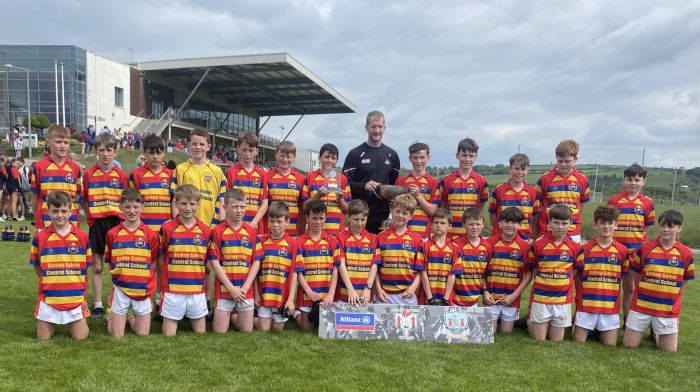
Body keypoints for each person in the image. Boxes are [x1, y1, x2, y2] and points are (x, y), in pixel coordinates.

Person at [623, 210, 694, 352]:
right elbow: (637, 275)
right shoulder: (645, 248)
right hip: (641, 307)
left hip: (667, 310)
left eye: (671, 226)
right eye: (663, 226)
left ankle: (657, 333)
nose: (666, 229)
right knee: (629, 346)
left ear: (679, 228)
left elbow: (683, 281)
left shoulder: (686, 253)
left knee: (669, 350)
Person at [30, 191, 91, 340]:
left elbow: (85, 266)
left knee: (80, 338)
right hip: (49, 298)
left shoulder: (82, 236)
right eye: (55, 211)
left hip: (74, 297)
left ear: (71, 211)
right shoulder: (40, 237)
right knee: (43, 339)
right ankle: (51, 322)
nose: (59, 215)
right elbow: (37, 266)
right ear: (48, 211)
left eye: (64, 211)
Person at [82, 133, 128, 319]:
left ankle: (119, 302)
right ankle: (99, 305)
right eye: (101, 150)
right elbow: (84, 199)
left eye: (109, 150)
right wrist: (91, 220)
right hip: (98, 224)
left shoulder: (121, 175)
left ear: (115, 151)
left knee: (119, 265)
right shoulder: (89, 174)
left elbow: (125, 201)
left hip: (116, 224)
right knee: (98, 266)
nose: (105, 154)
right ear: (96, 151)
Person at [104, 188, 159, 338]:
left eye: (135, 207)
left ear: (142, 207)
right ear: (120, 207)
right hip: (121, 289)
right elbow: (111, 261)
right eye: (127, 207)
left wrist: (145, 279)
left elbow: (153, 260)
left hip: (143, 289)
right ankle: (110, 317)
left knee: (142, 334)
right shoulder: (112, 234)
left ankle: (129, 318)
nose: (132, 211)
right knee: (117, 335)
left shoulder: (151, 235)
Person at [159, 185, 212, 336]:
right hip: (172, 290)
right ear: (175, 204)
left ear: (198, 205)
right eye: (183, 203)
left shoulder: (206, 231)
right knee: (169, 335)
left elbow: (208, 266)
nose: (188, 208)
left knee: (201, 333)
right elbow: (161, 261)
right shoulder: (167, 228)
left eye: (192, 204)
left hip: (196, 290)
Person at [573, 205, 629, 346]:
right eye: (602, 223)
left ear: (616, 225)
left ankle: (598, 330)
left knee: (610, 344)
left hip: (609, 307)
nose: (606, 226)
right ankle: (584, 325)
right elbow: (577, 277)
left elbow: (621, 278)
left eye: (610, 223)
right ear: (595, 225)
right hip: (586, 305)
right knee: (578, 341)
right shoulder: (584, 249)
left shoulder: (622, 251)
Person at [208, 189, 263, 333]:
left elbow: (256, 262)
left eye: (242, 207)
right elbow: (215, 263)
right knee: (219, 333)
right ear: (225, 208)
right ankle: (230, 314)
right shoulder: (217, 231)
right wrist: (231, 289)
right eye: (235, 207)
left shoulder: (251, 232)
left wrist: (244, 288)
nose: (239, 211)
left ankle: (234, 316)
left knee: (246, 332)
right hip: (225, 290)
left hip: (245, 291)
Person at [607, 163, 655, 320]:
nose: (633, 183)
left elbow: (646, 228)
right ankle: (608, 317)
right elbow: (607, 224)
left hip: (634, 253)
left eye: (637, 179)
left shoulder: (648, 203)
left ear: (643, 182)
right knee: (611, 286)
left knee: (630, 288)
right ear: (623, 181)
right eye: (629, 179)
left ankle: (628, 320)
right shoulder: (614, 200)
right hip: (615, 251)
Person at [527, 204, 580, 341]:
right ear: (549, 222)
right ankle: (529, 319)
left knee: (556, 340)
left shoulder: (576, 248)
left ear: (570, 224)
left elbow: (573, 272)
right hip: (541, 299)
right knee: (539, 339)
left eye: (564, 223)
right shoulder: (537, 245)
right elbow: (534, 271)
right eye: (556, 222)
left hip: (562, 301)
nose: (560, 227)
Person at [342, 111, 401, 234]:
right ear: (366, 128)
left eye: (380, 126)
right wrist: (363, 186)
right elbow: (344, 184)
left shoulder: (392, 155)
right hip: (360, 215)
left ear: (385, 128)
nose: (377, 130)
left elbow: (394, 183)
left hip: (383, 215)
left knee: (381, 251)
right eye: (373, 126)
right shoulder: (355, 154)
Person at [256, 202, 304, 332]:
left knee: (277, 330)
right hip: (264, 295)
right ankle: (248, 317)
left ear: (287, 222)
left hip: (281, 297)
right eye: (272, 221)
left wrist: (290, 299)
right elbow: (255, 272)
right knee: (264, 330)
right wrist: (256, 294)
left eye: (279, 221)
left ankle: (286, 313)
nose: (275, 225)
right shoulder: (260, 241)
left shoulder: (293, 244)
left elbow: (294, 273)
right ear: (268, 222)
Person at [295, 200, 342, 330]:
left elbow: (335, 269)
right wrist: (308, 291)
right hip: (307, 293)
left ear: (326, 218)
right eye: (314, 218)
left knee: (326, 327)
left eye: (321, 218)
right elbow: (298, 271)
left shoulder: (332, 241)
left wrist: (331, 294)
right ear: (307, 218)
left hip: (326, 293)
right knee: (306, 328)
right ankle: (296, 314)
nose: (317, 222)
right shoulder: (299, 241)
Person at [483, 207, 532, 333]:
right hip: (491, 298)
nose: (510, 225)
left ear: (520, 225)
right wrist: (485, 291)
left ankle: (515, 320)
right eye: (506, 221)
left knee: (506, 332)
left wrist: (514, 296)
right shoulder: (489, 243)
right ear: (499, 223)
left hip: (511, 300)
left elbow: (528, 275)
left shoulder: (525, 247)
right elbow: (481, 271)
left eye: (514, 222)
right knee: (489, 332)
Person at [375, 194, 427, 305]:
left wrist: (413, 288)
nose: (400, 215)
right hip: (384, 295)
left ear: (411, 216)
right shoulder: (380, 237)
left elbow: (420, 269)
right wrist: (378, 289)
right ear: (391, 211)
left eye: (405, 213)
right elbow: (375, 268)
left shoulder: (417, 239)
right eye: (397, 211)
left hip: (407, 295)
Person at [535, 140, 590, 243]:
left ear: (575, 160)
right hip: (547, 231)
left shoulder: (583, 180)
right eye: (560, 161)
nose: (563, 164)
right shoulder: (544, 179)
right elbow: (536, 205)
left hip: (573, 232)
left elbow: (581, 204)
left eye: (567, 161)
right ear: (556, 159)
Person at [171, 128, 227, 226]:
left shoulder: (217, 172)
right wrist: (177, 222)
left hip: (211, 226)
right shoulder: (180, 169)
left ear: (208, 147)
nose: (198, 147)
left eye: (201, 144)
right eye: (194, 144)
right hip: (185, 225)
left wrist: (222, 224)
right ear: (189, 145)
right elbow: (174, 199)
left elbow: (222, 200)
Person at [31, 125, 82, 229]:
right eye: (58, 142)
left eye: (66, 142)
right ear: (47, 142)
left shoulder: (75, 168)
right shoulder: (40, 166)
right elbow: (34, 196)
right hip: (45, 222)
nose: (63, 146)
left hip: (71, 222)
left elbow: (77, 197)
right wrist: (38, 219)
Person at [439, 138, 489, 239]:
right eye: (464, 155)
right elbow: (442, 209)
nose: (467, 159)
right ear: (457, 156)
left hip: (471, 235)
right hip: (450, 235)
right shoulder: (446, 180)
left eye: (471, 156)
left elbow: (479, 210)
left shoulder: (482, 182)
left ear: (476, 157)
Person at [335, 199, 380, 305]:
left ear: (367, 218)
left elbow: (374, 265)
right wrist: (350, 289)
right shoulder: (340, 237)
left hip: (366, 295)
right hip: (345, 294)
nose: (359, 223)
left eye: (363, 219)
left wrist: (368, 288)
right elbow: (341, 265)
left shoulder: (373, 238)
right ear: (349, 217)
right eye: (356, 219)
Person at [301, 143, 351, 235]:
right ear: (319, 158)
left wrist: (340, 199)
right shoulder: (310, 177)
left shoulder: (343, 179)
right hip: (314, 233)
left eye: (333, 158)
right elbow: (304, 207)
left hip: (337, 233)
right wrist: (317, 196)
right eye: (326, 157)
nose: (329, 160)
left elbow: (346, 210)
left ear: (336, 161)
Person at [489, 153, 539, 241]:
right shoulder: (499, 190)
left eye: (523, 169)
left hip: (524, 240)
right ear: (510, 169)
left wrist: (532, 238)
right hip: (502, 239)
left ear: (527, 171)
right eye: (516, 168)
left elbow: (535, 218)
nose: (519, 172)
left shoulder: (533, 192)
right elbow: (493, 215)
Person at [129, 134, 174, 232]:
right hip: (143, 229)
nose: (155, 157)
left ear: (164, 153)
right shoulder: (136, 174)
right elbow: (132, 202)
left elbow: (174, 202)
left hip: (166, 229)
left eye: (158, 153)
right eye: (151, 153)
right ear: (144, 153)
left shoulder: (171, 175)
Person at [395, 142, 440, 239]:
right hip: (403, 234)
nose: (419, 161)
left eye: (422, 157)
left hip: (424, 235)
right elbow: (395, 209)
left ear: (428, 158)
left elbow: (434, 212)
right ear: (410, 158)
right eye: (415, 158)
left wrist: (418, 196)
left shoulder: (434, 183)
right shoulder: (401, 181)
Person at [226, 132, 268, 230]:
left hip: (256, 226)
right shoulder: (231, 172)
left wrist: (253, 223)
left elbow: (264, 203)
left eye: (251, 150)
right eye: (244, 150)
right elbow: (226, 200)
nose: (247, 154)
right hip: (235, 226)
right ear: (238, 149)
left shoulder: (262, 174)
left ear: (256, 151)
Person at [452, 208, 492, 307]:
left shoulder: (487, 246)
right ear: (463, 225)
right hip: (454, 298)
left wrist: (485, 290)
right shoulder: (455, 243)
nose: (474, 227)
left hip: (474, 298)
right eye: (470, 224)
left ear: (483, 225)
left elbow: (485, 273)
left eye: (478, 224)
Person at [423, 208, 463, 304]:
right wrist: (429, 297)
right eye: (436, 222)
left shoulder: (455, 248)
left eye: (442, 223)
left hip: (446, 296)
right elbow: (422, 272)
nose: (439, 225)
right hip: (426, 296)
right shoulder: (424, 245)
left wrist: (445, 298)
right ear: (431, 225)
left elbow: (452, 275)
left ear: (449, 226)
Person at [266, 141, 305, 236]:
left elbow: (302, 209)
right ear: (276, 155)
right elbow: (265, 205)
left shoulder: (301, 179)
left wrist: (302, 231)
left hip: (294, 232)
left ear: (294, 157)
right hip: (272, 232)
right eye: (282, 155)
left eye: (288, 157)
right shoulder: (267, 177)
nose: (285, 159)